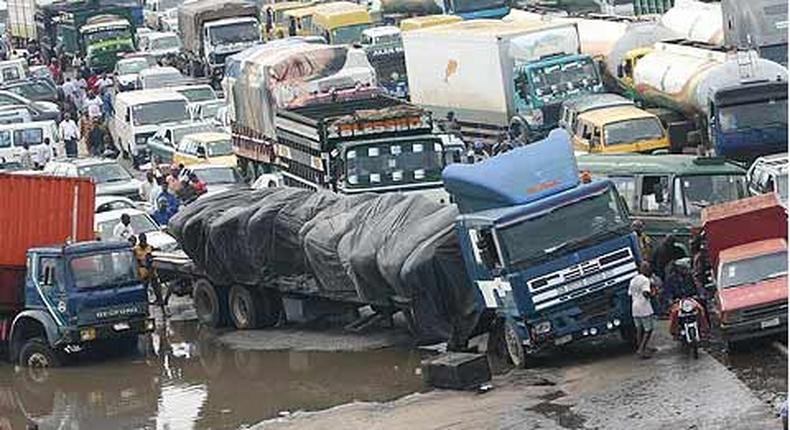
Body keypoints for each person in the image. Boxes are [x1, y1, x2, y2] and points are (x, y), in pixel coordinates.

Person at [629, 261, 656, 359]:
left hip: (634, 307)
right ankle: (641, 349)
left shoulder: (633, 280)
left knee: (639, 329)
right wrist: (653, 294)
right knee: (648, 330)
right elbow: (646, 293)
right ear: (643, 269)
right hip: (644, 307)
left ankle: (642, 348)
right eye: (647, 267)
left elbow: (630, 293)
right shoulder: (645, 280)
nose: (649, 269)